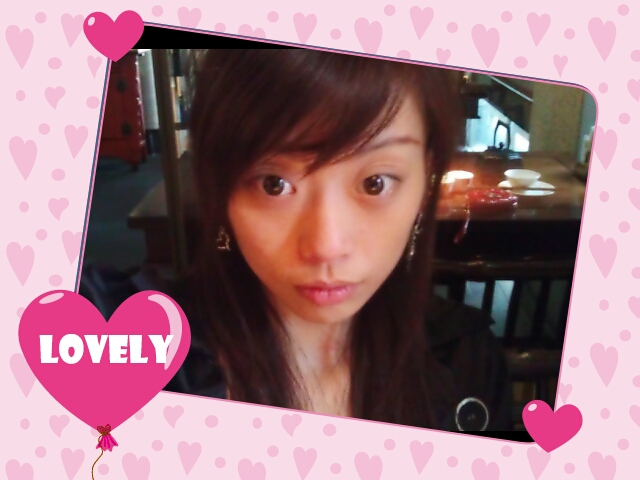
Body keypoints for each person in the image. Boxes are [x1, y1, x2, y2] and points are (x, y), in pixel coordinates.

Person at [169, 48, 512, 432]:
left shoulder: (467, 364)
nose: (326, 247)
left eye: (374, 183)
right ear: (221, 190)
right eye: (273, 184)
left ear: (426, 177)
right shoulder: (154, 362)